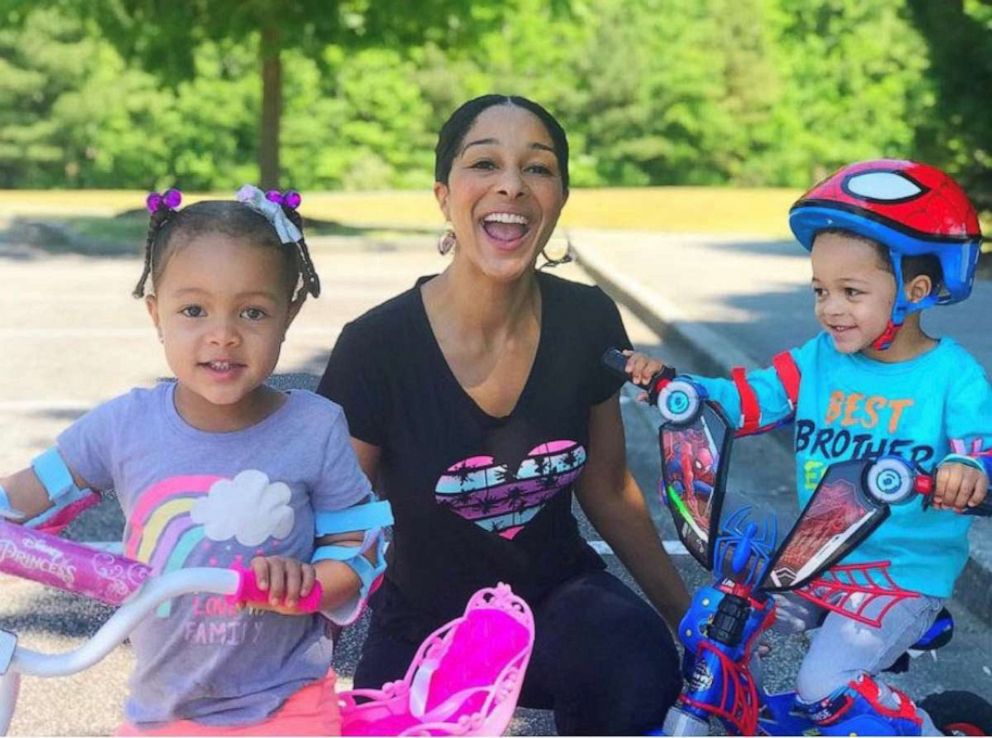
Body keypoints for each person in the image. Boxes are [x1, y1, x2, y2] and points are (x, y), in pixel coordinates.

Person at [317, 94, 689, 735]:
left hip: (556, 600)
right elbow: (336, 524)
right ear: (443, 194)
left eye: (538, 168)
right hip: (426, 623)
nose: (512, 184)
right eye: (484, 163)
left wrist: (692, 622)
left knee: (636, 657)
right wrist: (280, 670)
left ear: (561, 197)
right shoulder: (375, 346)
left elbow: (606, 486)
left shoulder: (587, 319)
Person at [0, 185, 390, 736]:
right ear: (157, 312)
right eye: (194, 309)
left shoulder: (314, 427)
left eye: (252, 311)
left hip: (287, 704)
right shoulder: (124, 425)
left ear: (290, 312)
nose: (223, 335)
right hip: (164, 709)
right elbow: (27, 493)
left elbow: (360, 556)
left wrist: (305, 583)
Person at [625, 159, 991, 735]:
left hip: (901, 576)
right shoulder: (819, 360)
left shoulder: (953, 379)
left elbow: (978, 453)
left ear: (914, 291)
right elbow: (747, 400)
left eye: (851, 291)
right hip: (816, 560)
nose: (830, 308)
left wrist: (964, 472)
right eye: (820, 289)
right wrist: (679, 387)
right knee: (717, 624)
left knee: (823, 685)